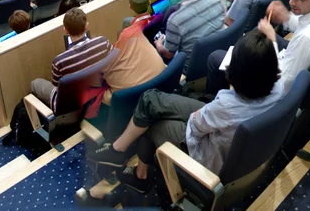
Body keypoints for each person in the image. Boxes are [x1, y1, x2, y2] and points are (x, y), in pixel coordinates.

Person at [89, 29, 283, 193]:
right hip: (223, 126)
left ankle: (140, 176)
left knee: (150, 122)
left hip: (207, 150)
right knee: (149, 100)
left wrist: (199, 116)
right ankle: (118, 151)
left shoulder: (226, 104)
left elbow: (196, 127)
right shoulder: (278, 88)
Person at [30, 8, 112, 107]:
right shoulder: (103, 42)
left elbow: (58, 90)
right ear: (86, 26)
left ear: (65, 30)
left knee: (35, 83)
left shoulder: (59, 61)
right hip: (102, 92)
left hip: (75, 104)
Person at [157, 0, 223, 71]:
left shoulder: (174, 20)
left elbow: (169, 54)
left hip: (192, 69)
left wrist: (159, 45)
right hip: (218, 56)